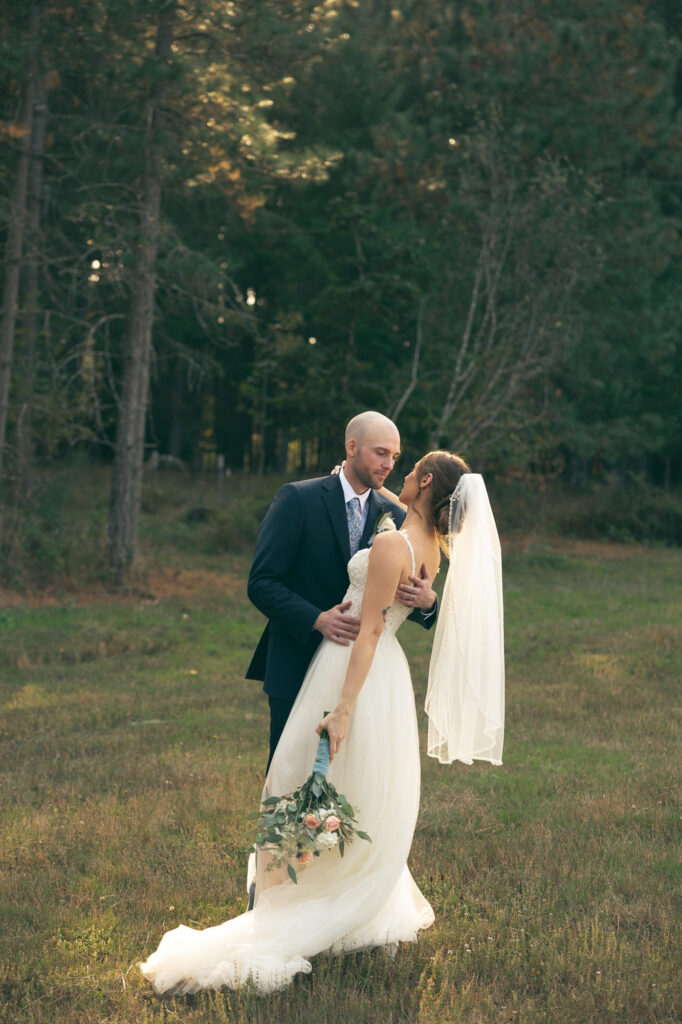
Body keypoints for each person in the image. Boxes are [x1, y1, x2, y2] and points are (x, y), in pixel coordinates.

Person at [139, 450, 505, 995]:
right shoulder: (422, 540)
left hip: (353, 672)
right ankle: (321, 891)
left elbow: (372, 630)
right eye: (386, 454)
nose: (397, 471)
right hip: (378, 677)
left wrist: (343, 708)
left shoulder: (390, 538)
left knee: (297, 778)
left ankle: (299, 901)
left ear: (425, 481)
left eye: (407, 465)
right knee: (347, 789)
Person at [246, 410, 438, 772]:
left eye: (394, 457)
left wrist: (428, 603)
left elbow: (392, 601)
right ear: (352, 447)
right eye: (380, 452)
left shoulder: (395, 518)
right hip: (297, 658)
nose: (389, 465)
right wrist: (316, 619)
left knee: (345, 776)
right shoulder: (297, 499)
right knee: (289, 772)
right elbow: (261, 583)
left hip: (360, 674)